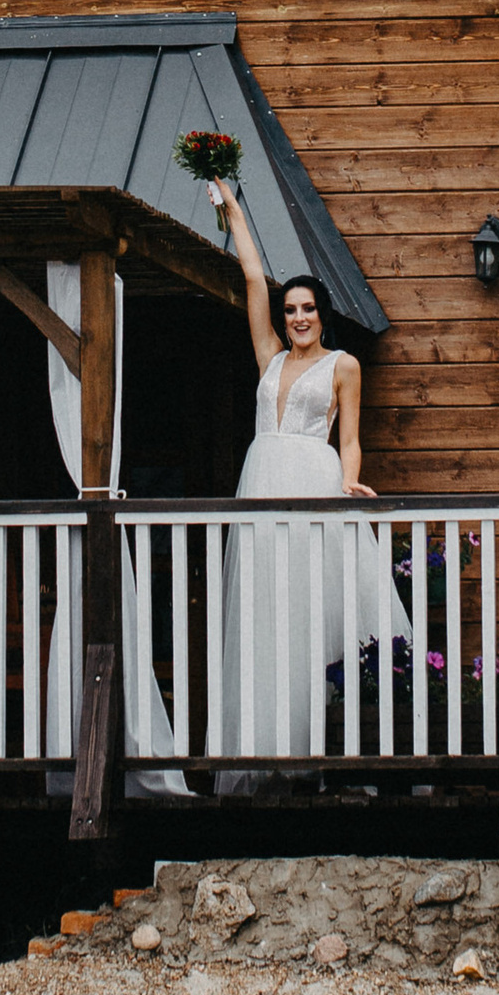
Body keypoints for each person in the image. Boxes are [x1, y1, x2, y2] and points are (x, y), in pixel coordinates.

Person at [215, 182, 381, 767]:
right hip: (263, 476)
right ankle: (261, 750)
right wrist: (234, 207)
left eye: (308, 308)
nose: (298, 317)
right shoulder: (271, 357)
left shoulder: (344, 365)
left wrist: (347, 486)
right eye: (291, 310)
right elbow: (255, 279)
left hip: (313, 475)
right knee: (266, 607)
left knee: (311, 607)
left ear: (322, 314)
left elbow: (351, 439)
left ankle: (319, 746)